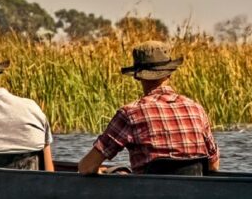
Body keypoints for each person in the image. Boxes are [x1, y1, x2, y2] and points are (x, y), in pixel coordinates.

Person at [77, 41, 221, 176]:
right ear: (169, 72)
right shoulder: (196, 109)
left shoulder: (129, 114)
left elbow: (86, 167)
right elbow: (213, 166)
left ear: (137, 76)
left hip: (148, 194)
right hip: (193, 194)